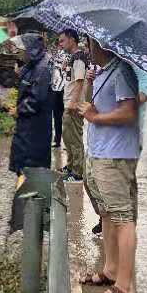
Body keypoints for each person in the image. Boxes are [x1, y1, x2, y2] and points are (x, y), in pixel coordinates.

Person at [77, 36, 140, 293]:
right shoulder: (103, 71)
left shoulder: (123, 70)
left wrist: (95, 118)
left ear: (102, 45)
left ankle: (125, 286)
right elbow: (92, 104)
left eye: (90, 43)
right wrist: (90, 82)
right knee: (107, 214)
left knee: (123, 217)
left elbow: (128, 112)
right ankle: (110, 270)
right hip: (99, 152)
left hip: (115, 156)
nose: (87, 48)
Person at [8, 34, 52, 176]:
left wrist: (18, 110)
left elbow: (36, 99)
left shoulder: (43, 68)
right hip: (27, 129)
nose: (19, 53)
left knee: (32, 172)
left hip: (34, 130)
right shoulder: (32, 65)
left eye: (21, 50)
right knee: (24, 169)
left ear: (31, 49)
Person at [59, 29, 88, 182]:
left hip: (73, 105)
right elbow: (72, 78)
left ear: (72, 39)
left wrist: (73, 102)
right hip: (69, 102)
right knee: (67, 137)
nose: (60, 44)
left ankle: (77, 172)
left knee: (75, 139)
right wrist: (65, 67)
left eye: (62, 40)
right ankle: (70, 166)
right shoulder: (73, 58)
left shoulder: (79, 58)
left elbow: (79, 81)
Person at [49, 37, 68, 148]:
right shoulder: (53, 56)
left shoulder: (70, 56)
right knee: (57, 116)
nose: (61, 44)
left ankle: (65, 140)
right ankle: (57, 140)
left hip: (65, 89)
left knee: (66, 116)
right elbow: (50, 70)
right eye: (59, 42)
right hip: (55, 89)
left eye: (62, 42)